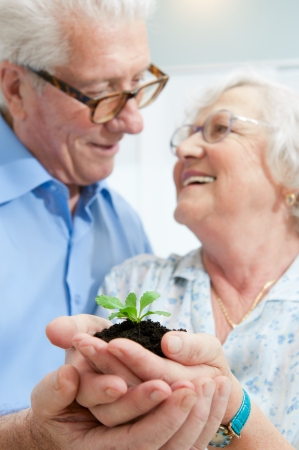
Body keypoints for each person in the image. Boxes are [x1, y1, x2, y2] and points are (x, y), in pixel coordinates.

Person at [61, 70, 299, 449]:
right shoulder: (133, 282)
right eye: (187, 133)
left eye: (220, 128)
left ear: (293, 168)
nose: (184, 149)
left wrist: (233, 411)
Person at [0, 0, 171, 411]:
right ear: (15, 88)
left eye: (137, 83)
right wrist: (33, 439)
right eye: (101, 94)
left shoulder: (124, 225)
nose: (133, 122)